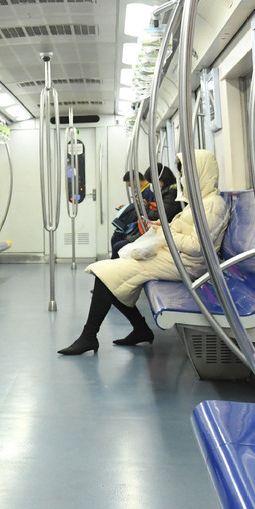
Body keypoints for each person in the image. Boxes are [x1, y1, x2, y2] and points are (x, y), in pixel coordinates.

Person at [59, 149, 229, 355]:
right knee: (109, 275)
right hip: (176, 257)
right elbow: (185, 233)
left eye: (186, 173)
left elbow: (197, 247)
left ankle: (93, 336)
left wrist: (166, 233)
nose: (183, 179)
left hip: (187, 264)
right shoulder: (202, 202)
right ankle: (133, 330)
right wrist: (164, 227)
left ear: (200, 173)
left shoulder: (211, 205)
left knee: (107, 276)